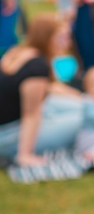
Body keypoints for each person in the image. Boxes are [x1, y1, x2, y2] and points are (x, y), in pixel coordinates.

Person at [0, 13, 84, 165]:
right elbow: (31, 114)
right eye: (63, 37)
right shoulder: (37, 67)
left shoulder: (17, 52)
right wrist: (25, 155)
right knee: (85, 119)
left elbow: (50, 88)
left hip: (7, 124)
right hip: (8, 136)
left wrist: (83, 97)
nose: (67, 43)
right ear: (48, 37)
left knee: (83, 107)